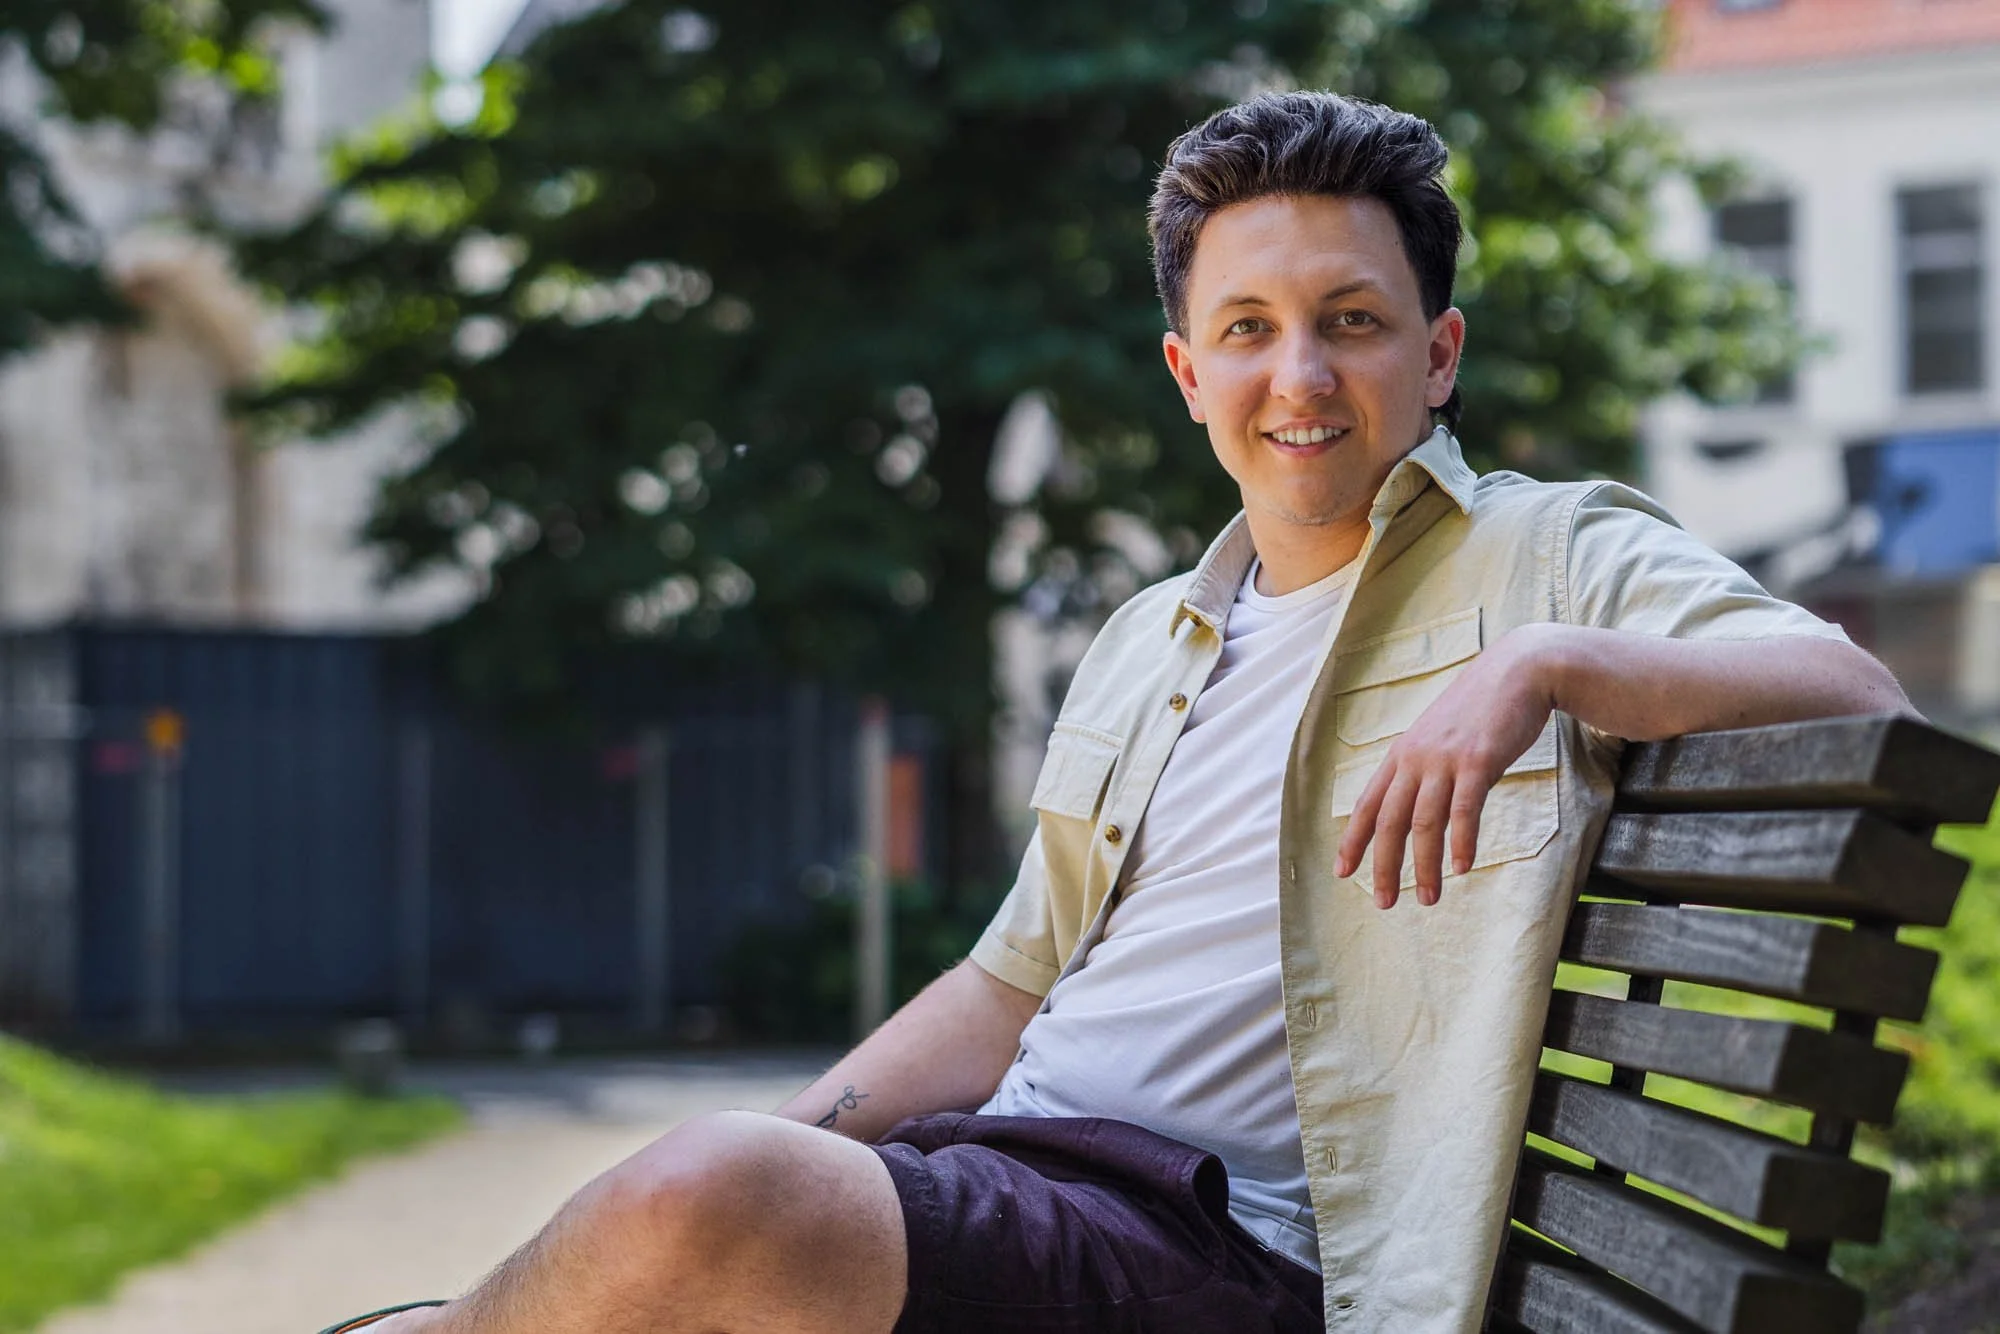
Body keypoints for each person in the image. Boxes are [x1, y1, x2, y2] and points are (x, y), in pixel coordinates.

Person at [324, 91, 1907, 1334]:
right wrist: (790, 1148)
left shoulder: (1551, 555)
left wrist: (1543, 666)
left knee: (700, 1206)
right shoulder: (1158, 633)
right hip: (1011, 1181)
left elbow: (1857, 692)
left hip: (1224, 1248)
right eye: (1249, 328)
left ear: (1437, 355)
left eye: (1353, 320)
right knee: (683, 1229)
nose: (1301, 371)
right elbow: (1009, 982)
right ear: (1185, 371)